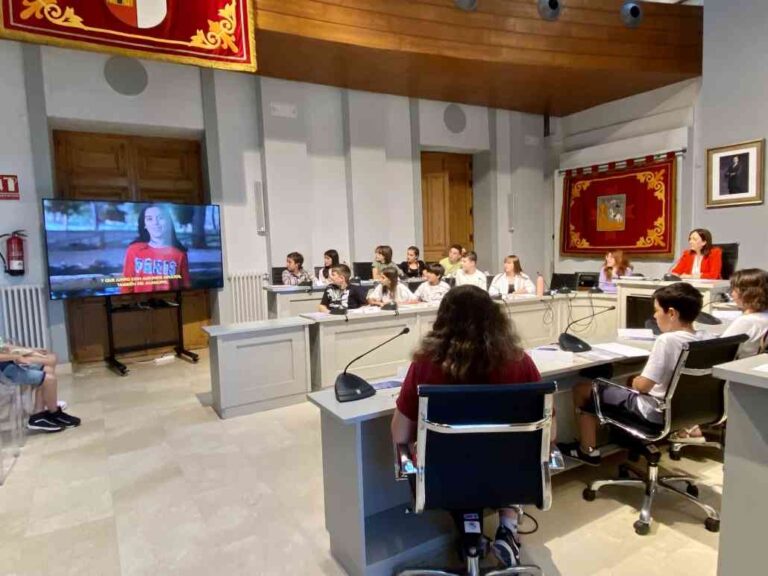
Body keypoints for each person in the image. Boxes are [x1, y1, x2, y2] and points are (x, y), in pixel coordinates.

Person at [391, 285, 544, 568]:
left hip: (444, 478)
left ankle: (471, 535)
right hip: (510, 474)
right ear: (495, 319)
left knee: (459, 461)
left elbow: (400, 434)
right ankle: (507, 526)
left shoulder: (425, 366)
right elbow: (550, 433)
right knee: (493, 456)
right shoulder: (520, 363)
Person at [559, 283, 711, 465]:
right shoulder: (704, 338)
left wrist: (637, 382)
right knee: (629, 380)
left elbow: (643, 386)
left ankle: (588, 451)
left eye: (656, 311)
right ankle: (623, 439)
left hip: (653, 413)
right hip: (687, 411)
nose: (654, 316)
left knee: (583, 389)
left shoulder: (667, 341)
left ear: (671, 313)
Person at [0, 346, 80, 432]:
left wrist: (31, 351)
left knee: (47, 368)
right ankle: (53, 413)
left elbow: (4, 346)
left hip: (10, 365)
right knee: (49, 380)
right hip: (5, 373)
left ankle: (39, 414)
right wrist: (17, 357)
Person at [121, 204, 191, 293]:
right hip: (139, 304)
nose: (155, 223)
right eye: (149, 219)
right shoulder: (133, 250)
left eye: (160, 218)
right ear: (144, 224)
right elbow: (126, 286)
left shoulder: (179, 254)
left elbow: (185, 286)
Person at [721, 268, 768, 358]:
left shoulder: (746, 321)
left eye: (734, 290)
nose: (732, 294)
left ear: (747, 293)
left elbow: (718, 350)